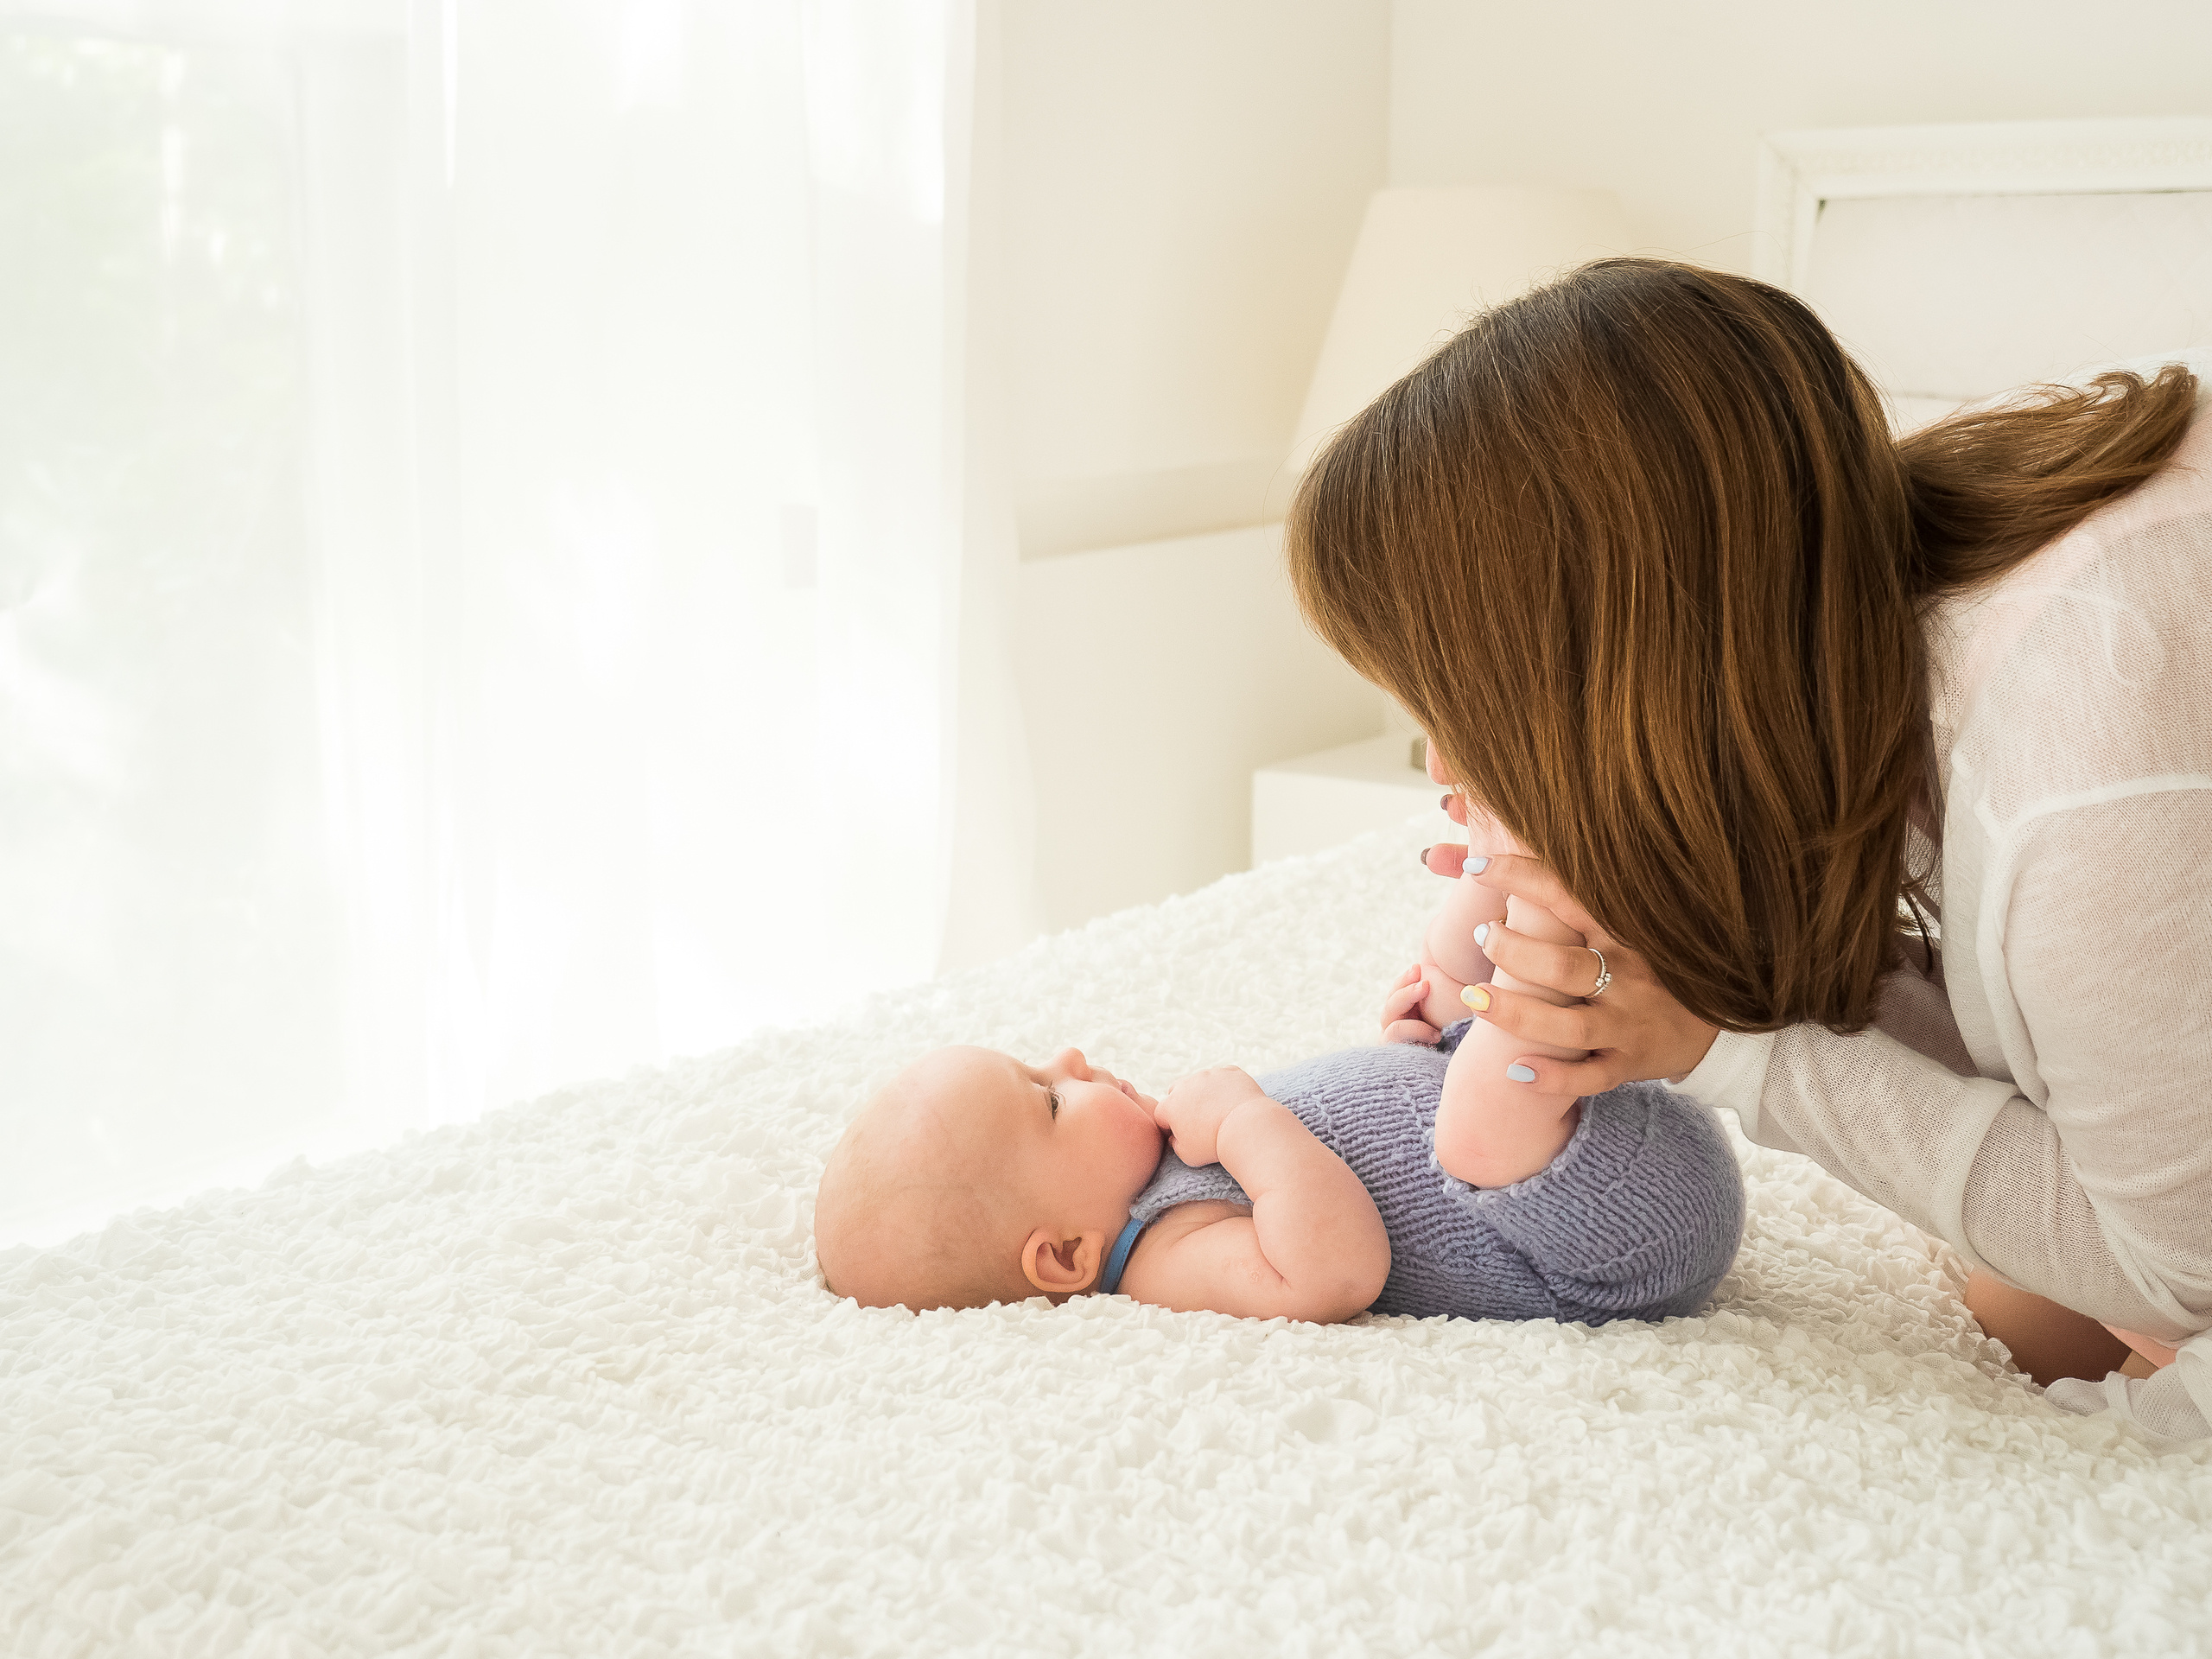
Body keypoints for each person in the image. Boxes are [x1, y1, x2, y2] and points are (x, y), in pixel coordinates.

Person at [1285, 255, 2210, 1440]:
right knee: (2022, 1299)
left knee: (2049, 1309)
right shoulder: (1914, 573)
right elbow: (2027, 1028)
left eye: (1460, 709)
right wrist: (1704, 968)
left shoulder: (2090, 763)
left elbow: (2184, 1275)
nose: (1443, 772)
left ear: (1609, 680)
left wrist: (1735, 1049)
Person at [814, 880, 1743, 1324]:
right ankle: (1545, 892)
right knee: (1479, 1112)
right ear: (1062, 1256)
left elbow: (1371, 1151)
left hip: (1573, 1141)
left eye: (1039, 1064)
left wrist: (1406, 1053)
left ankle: (1511, 886)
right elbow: (1332, 1271)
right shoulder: (1163, 1256)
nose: (1070, 1058)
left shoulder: (1168, 1158)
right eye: (1050, 1100)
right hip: (1611, 1237)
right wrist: (1251, 1122)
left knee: (1448, 954)